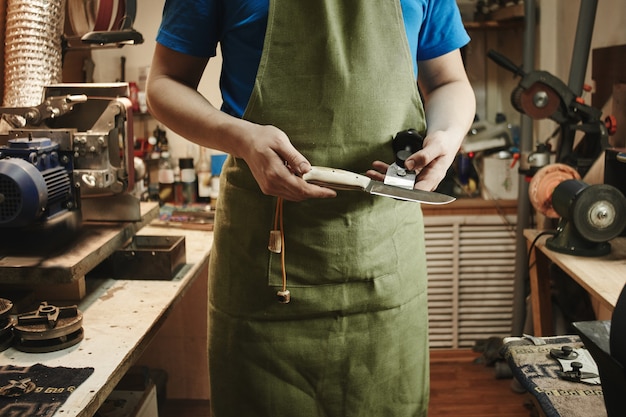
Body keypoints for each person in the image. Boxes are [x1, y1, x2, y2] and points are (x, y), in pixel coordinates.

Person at [146, 1, 475, 416]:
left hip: (385, 257)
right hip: (264, 263)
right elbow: (164, 82)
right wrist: (240, 137)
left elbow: (448, 81)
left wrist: (446, 135)